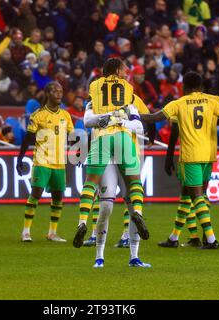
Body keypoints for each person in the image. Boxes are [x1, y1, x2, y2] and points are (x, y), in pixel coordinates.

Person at [141, 71, 219, 249]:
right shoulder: (213, 101)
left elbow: (156, 118)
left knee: (195, 196)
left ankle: (210, 239)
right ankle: (175, 237)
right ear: (201, 86)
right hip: (209, 155)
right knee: (195, 194)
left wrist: (134, 115)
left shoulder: (179, 103)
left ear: (184, 87)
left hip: (191, 155)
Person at [72, 58, 150, 268]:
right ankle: (134, 255)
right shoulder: (129, 93)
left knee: (102, 199)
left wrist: (105, 117)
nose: (127, 73)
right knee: (134, 196)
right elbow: (141, 125)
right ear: (117, 71)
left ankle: (86, 231)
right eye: (124, 70)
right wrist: (120, 119)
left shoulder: (94, 92)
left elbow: (87, 121)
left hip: (102, 140)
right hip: (125, 142)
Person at [16, 82, 74, 242]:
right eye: (55, 91)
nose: (59, 94)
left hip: (59, 163)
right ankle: (26, 231)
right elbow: (28, 138)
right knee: (36, 193)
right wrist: (20, 158)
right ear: (47, 93)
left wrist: (81, 151)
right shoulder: (38, 115)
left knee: (58, 196)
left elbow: (73, 137)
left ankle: (52, 233)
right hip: (42, 160)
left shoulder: (65, 115)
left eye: (61, 91)